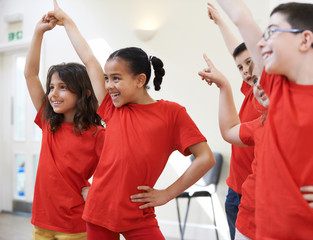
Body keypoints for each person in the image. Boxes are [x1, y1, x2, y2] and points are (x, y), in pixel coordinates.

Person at [47, 1, 216, 239]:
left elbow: (205, 158)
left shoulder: (172, 113)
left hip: (139, 215)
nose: (109, 86)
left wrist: (166, 193)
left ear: (139, 80)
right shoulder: (112, 109)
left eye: (116, 78)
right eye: (106, 79)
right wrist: (68, 22)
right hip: (98, 212)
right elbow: (89, 60)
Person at [217, 0, 313, 238]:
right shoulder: (276, 88)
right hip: (262, 229)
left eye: (272, 32)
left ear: (305, 40)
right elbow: (242, 17)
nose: (262, 42)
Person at [24, 14, 105, 240]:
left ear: (84, 92)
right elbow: (30, 74)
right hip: (41, 223)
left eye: (62, 87)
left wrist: (96, 189)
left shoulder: (99, 134)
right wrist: (38, 32)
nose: (53, 94)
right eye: (51, 87)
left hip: (76, 227)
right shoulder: (49, 122)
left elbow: (114, 171)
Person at [207, 4, 266, 239]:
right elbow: (238, 51)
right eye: (240, 68)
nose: (245, 71)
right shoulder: (253, 89)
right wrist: (220, 22)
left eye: (250, 64)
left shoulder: (267, 99)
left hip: (257, 196)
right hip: (236, 189)